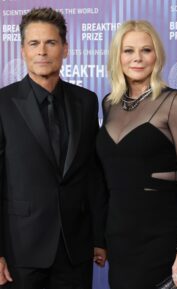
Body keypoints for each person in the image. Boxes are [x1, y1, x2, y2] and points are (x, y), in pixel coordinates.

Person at [0, 7, 107, 289]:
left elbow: (92, 175)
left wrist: (99, 238)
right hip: (20, 251)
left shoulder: (86, 101)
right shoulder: (3, 103)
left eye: (51, 43)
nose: (42, 51)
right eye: (33, 43)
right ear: (22, 50)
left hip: (75, 250)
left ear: (65, 49)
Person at [96, 20, 177, 289]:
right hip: (119, 237)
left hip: (159, 237)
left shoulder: (173, 101)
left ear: (157, 56)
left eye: (146, 50)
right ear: (117, 56)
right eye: (128, 50)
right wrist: (101, 238)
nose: (137, 58)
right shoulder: (109, 103)